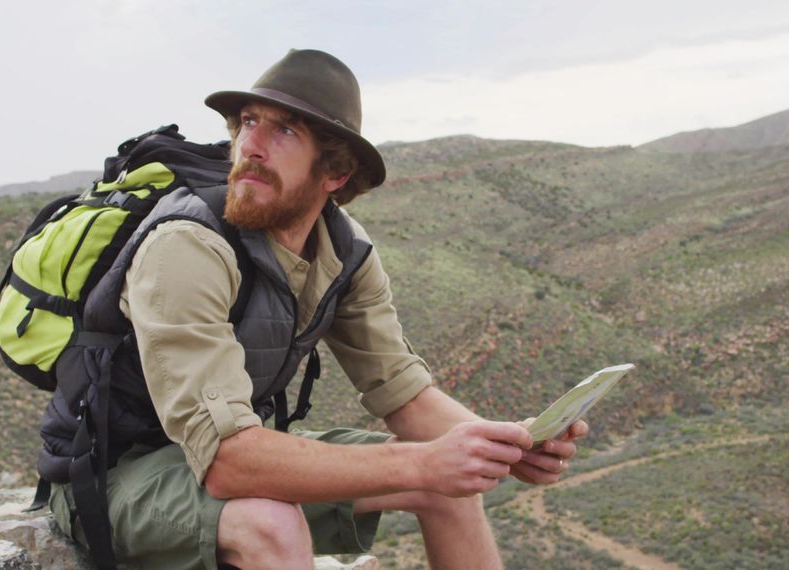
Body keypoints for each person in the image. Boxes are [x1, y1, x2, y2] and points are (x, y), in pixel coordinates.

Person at [47, 48, 588, 570]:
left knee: (447, 485)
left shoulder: (343, 252)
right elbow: (228, 462)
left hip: (218, 455)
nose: (251, 146)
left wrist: (509, 445)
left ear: (335, 173)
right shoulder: (188, 247)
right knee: (273, 523)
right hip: (112, 474)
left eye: (283, 130)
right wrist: (426, 459)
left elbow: (405, 396)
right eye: (247, 122)